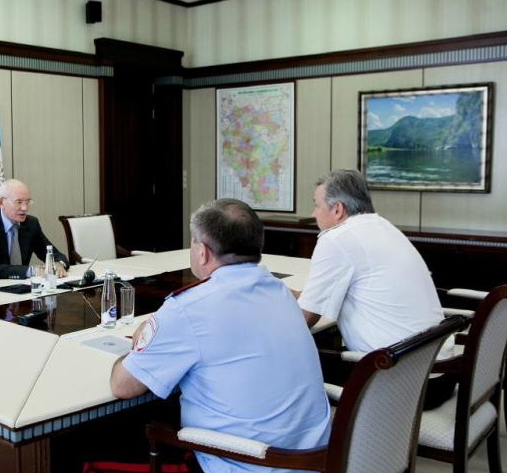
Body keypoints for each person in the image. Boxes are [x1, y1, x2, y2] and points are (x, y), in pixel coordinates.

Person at [110, 199, 330, 472]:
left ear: (202, 252)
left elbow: (123, 386)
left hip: (250, 464)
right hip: (314, 459)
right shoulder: (281, 292)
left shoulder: (187, 308)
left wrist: (140, 342)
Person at [295, 169, 454, 408]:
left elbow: (305, 320)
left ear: (337, 210)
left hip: (402, 382)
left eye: (316, 205)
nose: (313, 213)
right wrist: (291, 295)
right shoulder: (383, 227)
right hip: (439, 372)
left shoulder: (336, 239)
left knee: (291, 367)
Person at [0, 179, 68, 279]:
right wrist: (30, 271)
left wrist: (58, 264)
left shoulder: (31, 224)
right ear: (1, 202)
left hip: (22, 286)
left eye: (28, 202)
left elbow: (53, 253)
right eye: (19, 202)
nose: (25, 208)